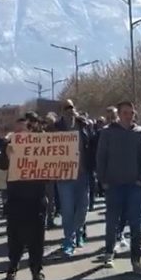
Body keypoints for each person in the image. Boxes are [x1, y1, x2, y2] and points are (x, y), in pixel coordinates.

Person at [96, 101, 141, 273]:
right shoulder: (107, 133)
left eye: (132, 112)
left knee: (136, 224)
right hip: (113, 185)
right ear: (119, 114)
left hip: (133, 186)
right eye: (126, 112)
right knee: (112, 222)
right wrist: (103, 180)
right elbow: (101, 157)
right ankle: (109, 252)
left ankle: (136, 260)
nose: (129, 115)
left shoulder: (139, 132)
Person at [0, 118, 48, 280]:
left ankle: (37, 270)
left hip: (36, 197)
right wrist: (6, 152)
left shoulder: (39, 144)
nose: (19, 133)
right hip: (15, 198)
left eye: (22, 130)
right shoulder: (9, 145)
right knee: (15, 236)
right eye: (16, 130)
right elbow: (1, 165)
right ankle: (13, 264)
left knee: (37, 238)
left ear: (29, 130)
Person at [55, 102, 93, 257]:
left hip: (82, 174)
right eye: (66, 110)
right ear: (62, 113)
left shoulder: (83, 126)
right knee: (68, 209)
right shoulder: (56, 128)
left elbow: (92, 144)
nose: (70, 113)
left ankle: (79, 231)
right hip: (64, 175)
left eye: (72, 109)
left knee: (83, 207)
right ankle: (68, 240)